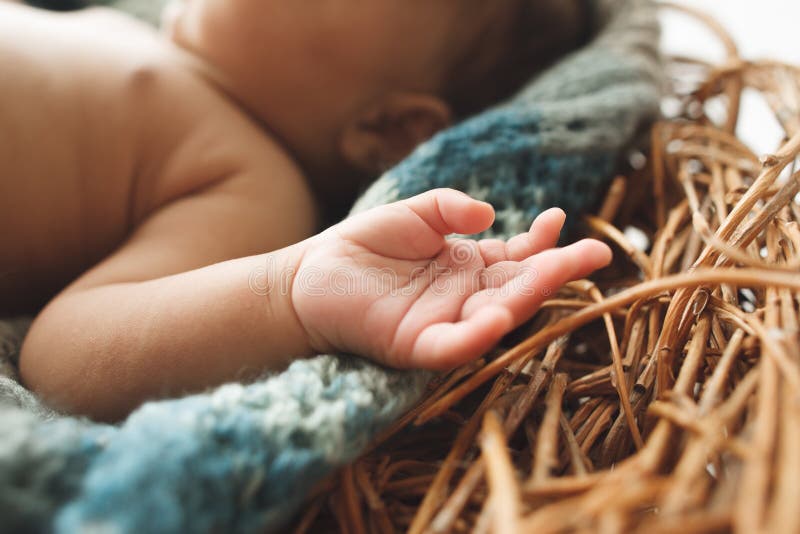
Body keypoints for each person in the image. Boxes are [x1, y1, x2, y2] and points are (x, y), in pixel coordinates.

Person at [0, 0, 611, 421]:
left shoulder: (248, 179)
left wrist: (288, 292)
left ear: (389, 128)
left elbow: (65, 359)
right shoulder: (147, 32)